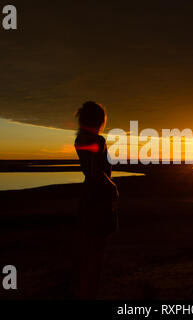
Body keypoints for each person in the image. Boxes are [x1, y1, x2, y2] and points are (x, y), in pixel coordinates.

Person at [72, 101, 119, 299]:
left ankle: (85, 293)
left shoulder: (79, 140)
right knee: (96, 257)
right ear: (98, 120)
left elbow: (91, 171)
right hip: (98, 200)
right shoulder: (97, 141)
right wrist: (112, 187)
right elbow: (95, 172)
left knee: (88, 255)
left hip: (87, 199)